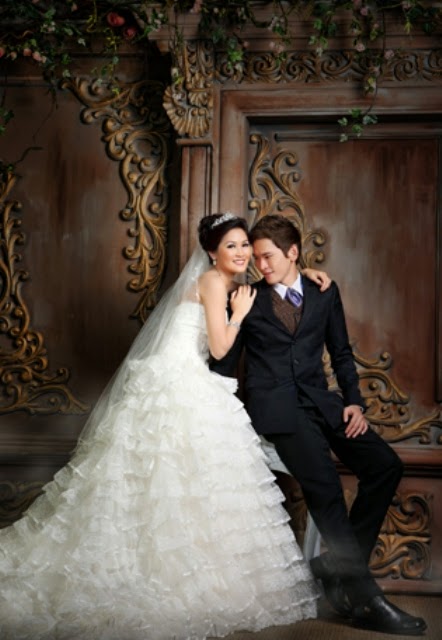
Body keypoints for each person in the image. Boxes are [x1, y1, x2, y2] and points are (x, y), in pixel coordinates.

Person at [0, 212, 329, 640]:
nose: (242, 253)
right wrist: (239, 315)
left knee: (173, 478)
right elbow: (219, 348)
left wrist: (305, 273)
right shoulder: (214, 283)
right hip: (180, 381)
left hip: (178, 377)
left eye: (245, 245)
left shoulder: (224, 283)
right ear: (211, 252)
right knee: (177, 476)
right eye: (230, 246)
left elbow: (274, 283)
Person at [211, 214, 427, 637]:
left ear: (293, 252)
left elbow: (341, 354)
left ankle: (335, 566)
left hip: (322, 403)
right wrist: (233, 319)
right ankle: (366, 598)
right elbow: (221, 364)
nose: (260, 265)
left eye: (269, 257)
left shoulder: (324, 291)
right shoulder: (246, 298)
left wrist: (354, 403)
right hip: (276, 411)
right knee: (325, 486)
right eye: (256, 258)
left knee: (385, 466)